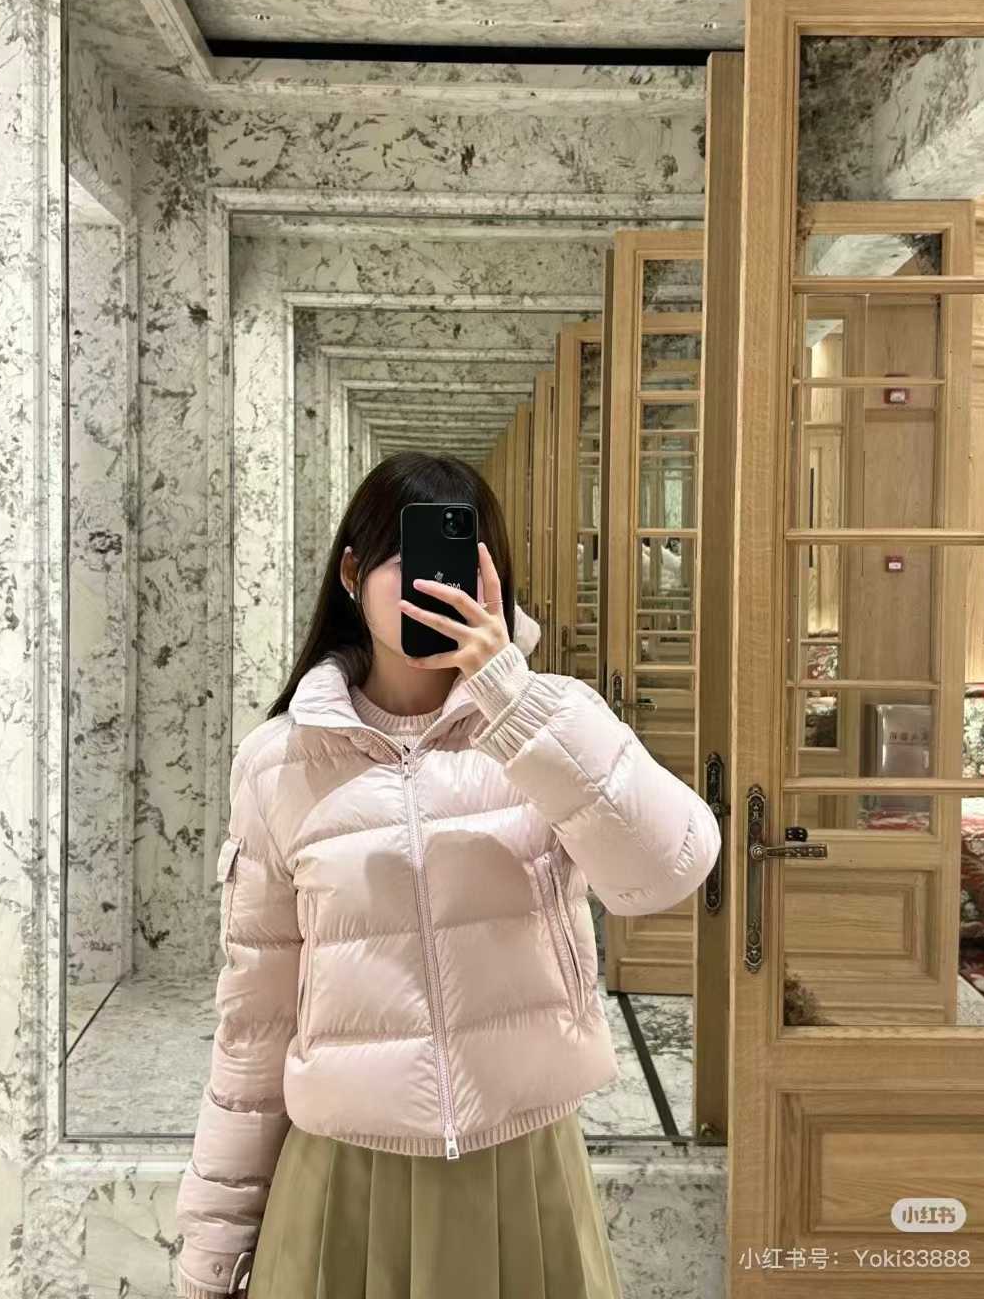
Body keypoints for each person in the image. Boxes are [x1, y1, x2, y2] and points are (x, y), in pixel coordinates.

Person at [174, 451, 722, 1299]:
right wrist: (216, 1242)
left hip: (522, 1169)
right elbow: (257, 1015)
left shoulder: (550, 724)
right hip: (342, 1179)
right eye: (408, 559)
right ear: (351, 574)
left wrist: (510, 696)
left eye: (459, 561)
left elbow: (666, 872)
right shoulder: (279, 763)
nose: (434, 583)